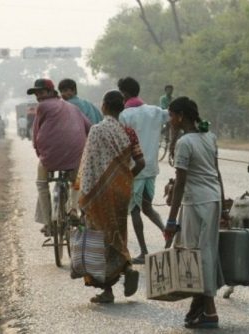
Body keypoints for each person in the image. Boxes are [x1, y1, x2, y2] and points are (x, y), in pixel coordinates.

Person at [76, 90, 145, 303]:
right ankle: (126, 266)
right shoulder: (129, 132)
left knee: (101, 239)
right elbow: (141, 163)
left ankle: (107, 290)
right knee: (117, 233)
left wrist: (82, 196)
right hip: (121, 192)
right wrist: (124, 180)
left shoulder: (97, 131)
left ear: (104, 106)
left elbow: (88, 167)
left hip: (98, 194)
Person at [163, 96, 226, 329]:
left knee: (198, 256)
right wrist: (223, 205)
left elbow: (180, 183)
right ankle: (201, 306)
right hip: (212, 199)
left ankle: (210, 312)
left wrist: (171, 219)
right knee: (206, 252)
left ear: (180, 116)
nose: (169, 121)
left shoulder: (185, 143)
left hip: (196, 204)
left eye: (171, 116)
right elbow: (216, 173)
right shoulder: (209, 136)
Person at [27, 78, 91, 236]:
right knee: (76, 181)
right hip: (76, 154)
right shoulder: (72, 106)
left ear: (50, 92)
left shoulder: (42, 106)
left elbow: (36, 134)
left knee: (42, 184)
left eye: (41, 92)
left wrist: (39, 154)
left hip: (50, 157)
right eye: (36, 94)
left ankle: (48, 223)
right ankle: (73, 209)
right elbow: (89, 127)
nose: (38, 96)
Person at [118, 76, 169, 264]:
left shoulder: (125, 115)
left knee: (135, 210)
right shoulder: (155, 111)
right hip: (152, 168)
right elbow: (170, 116)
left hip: (134, 169)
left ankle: (144, 251)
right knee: (147, 206)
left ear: (124, 93)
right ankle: (167, 232)